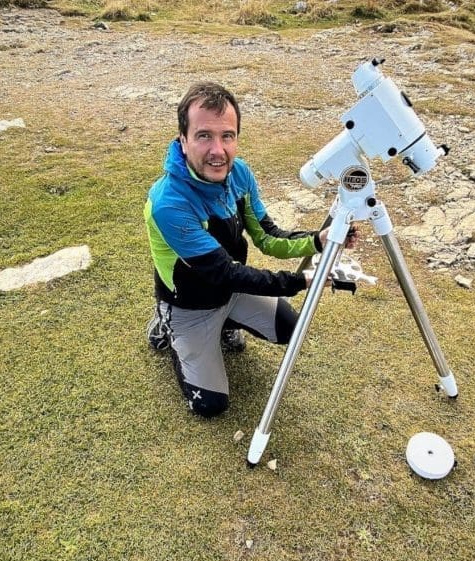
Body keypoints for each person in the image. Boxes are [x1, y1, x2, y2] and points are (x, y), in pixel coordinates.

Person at [145, 82, 355, 417]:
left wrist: (319, 239)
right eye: (204, 136)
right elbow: (223, 272)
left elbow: (268, 237)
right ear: (182, 141)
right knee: (210, 406)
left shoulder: (239, 174)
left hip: (232, 292)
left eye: (227, 136)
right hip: (190, 306)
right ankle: (167, 328)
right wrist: (301, 281)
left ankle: (226, 323)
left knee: (290, 328)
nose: (218, 150)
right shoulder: (168, 202)